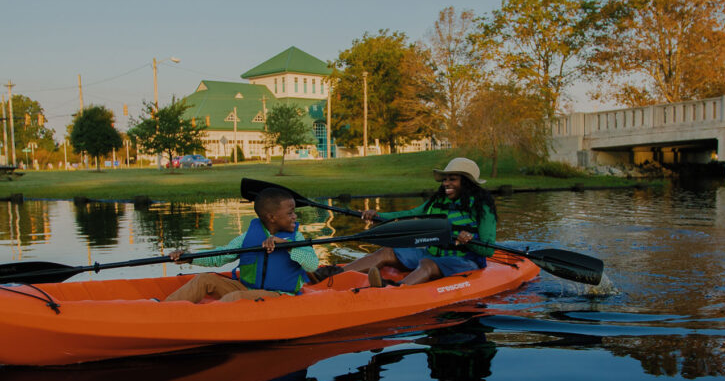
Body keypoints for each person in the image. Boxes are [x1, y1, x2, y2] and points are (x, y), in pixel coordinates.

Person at [315, 157, 496, 287]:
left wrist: (470, 240)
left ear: (467, 182)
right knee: (387, 251)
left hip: (463, 260)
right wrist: (378, 216)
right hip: (431, 253)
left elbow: (488, 250)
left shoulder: (483, 207)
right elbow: (408, 214)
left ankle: (395, 291)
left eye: (452, 179)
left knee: (427, 265)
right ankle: (335, 276)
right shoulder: (437, 202)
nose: (446, 183)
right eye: (445, 179)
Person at [162, 187, 317, 302]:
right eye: (290, 213)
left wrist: (287, 245)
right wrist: (190, 258)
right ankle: (162, 310)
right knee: (204, 279)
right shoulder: (247, 238)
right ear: (271, 217)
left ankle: (205, 322)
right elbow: (220, 257)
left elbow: (312, 265)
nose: (295, 217)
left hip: (278, 295)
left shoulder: (296, 237)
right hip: (247, 289)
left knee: (236, 297)